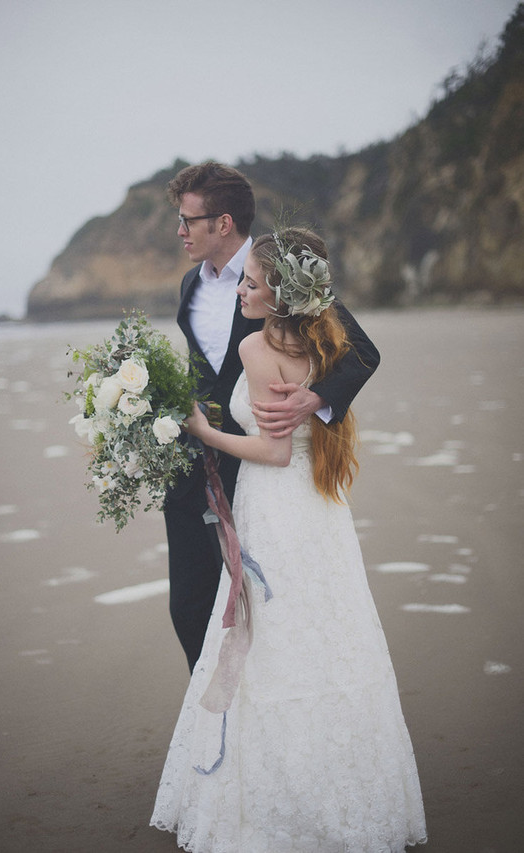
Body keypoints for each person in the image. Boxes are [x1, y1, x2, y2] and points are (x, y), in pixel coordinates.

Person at [150, 227, 426, 851]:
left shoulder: (256, 347)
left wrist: (201, 429)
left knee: (268, 640)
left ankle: (268, 796)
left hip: (274, 508)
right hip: (323, 509)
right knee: (330, 632)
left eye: (249, 282)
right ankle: (345, 786)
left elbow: (272, 453)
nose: (240, 288)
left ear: (277, 292)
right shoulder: (321, 339)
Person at [164, 162, 380, 672]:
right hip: (194, 469)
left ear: (222, 223)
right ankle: (217, 724)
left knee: (263, 607)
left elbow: (362, 352)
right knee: (191, 607)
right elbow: (205, 370)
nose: (179, 231)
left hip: (258, 469)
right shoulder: (189, 287)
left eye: (187, 220)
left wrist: (314, 398)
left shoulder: (279, 270)